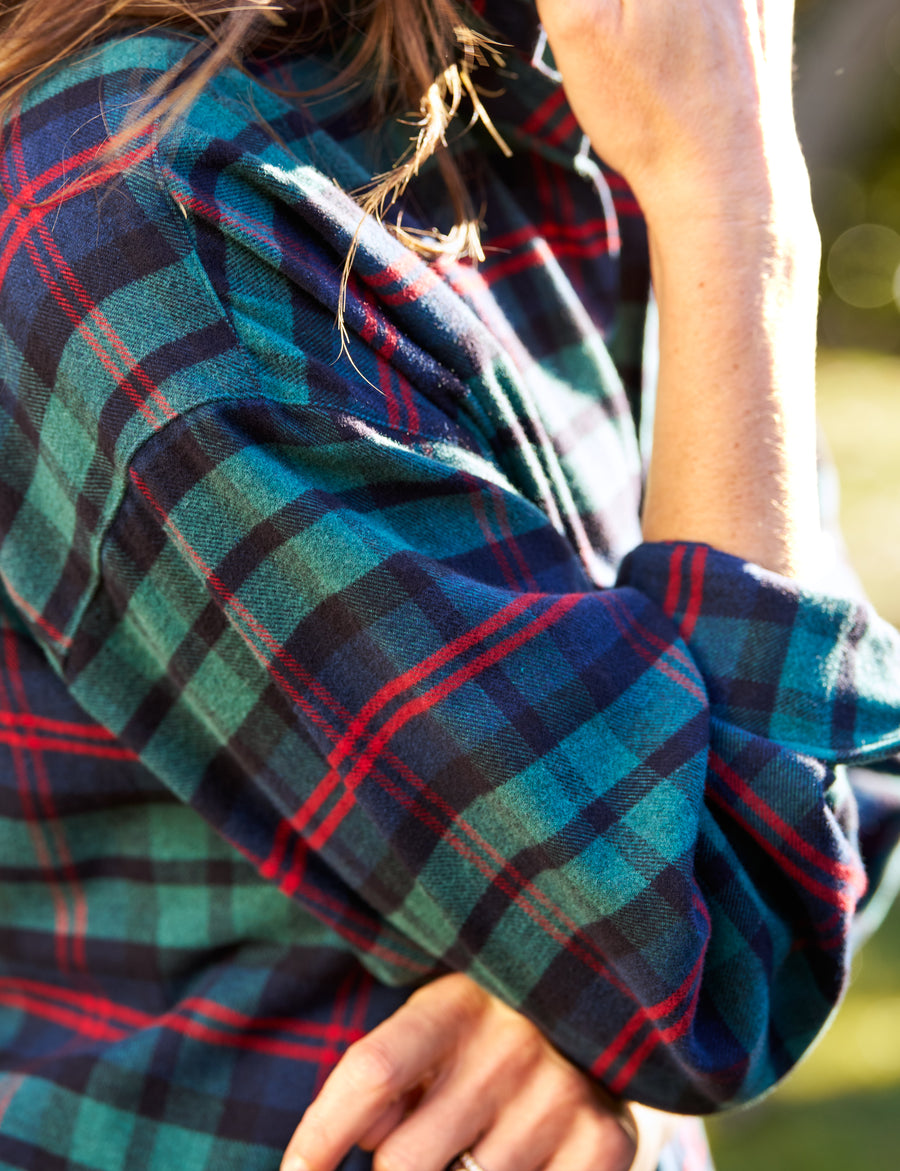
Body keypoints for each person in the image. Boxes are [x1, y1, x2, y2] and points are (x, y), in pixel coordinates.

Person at [1, 1, 899, 1170]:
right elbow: (725, 958)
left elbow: (838, 788)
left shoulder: (568, 91)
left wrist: (583, 988)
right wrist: (741, 215)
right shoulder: (163, 213)